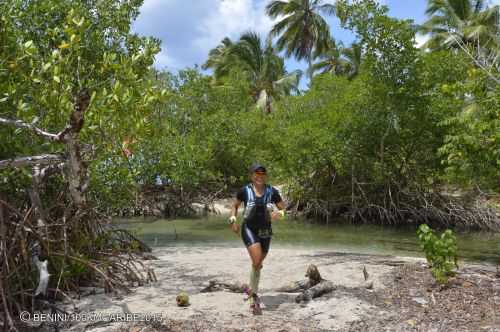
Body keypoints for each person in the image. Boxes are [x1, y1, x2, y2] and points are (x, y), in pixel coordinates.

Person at [228, 163, 286, 315]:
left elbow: (283, 209)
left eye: (262, 174)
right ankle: (254, 298)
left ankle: (250, 288)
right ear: (251, 176)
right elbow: (234, 205)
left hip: (266, 231)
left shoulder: (272, 191)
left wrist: (279, 214)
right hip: (249, 229)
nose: (259, 177)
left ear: (265, 176)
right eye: (256, 174)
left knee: (258, 264)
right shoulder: (244, 191)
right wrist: (233, 220)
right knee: (256, 261)